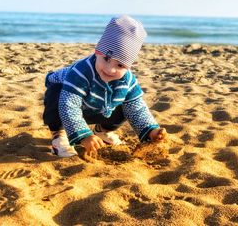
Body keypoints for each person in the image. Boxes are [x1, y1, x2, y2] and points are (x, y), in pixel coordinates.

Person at [43, 15, 167, 157]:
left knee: (127, 103)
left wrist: (151, 131)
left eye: (120, 65)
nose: (110, 69)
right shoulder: (81, 71)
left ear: (128, 66)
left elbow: (137, 109)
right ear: (97, 51)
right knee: (58, 92)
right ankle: (59, 135)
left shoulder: (127, 80)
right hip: (66, 103)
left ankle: (102, 131)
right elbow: (68, 105)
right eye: (106, 59)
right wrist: (84, 136)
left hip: (98, 107)